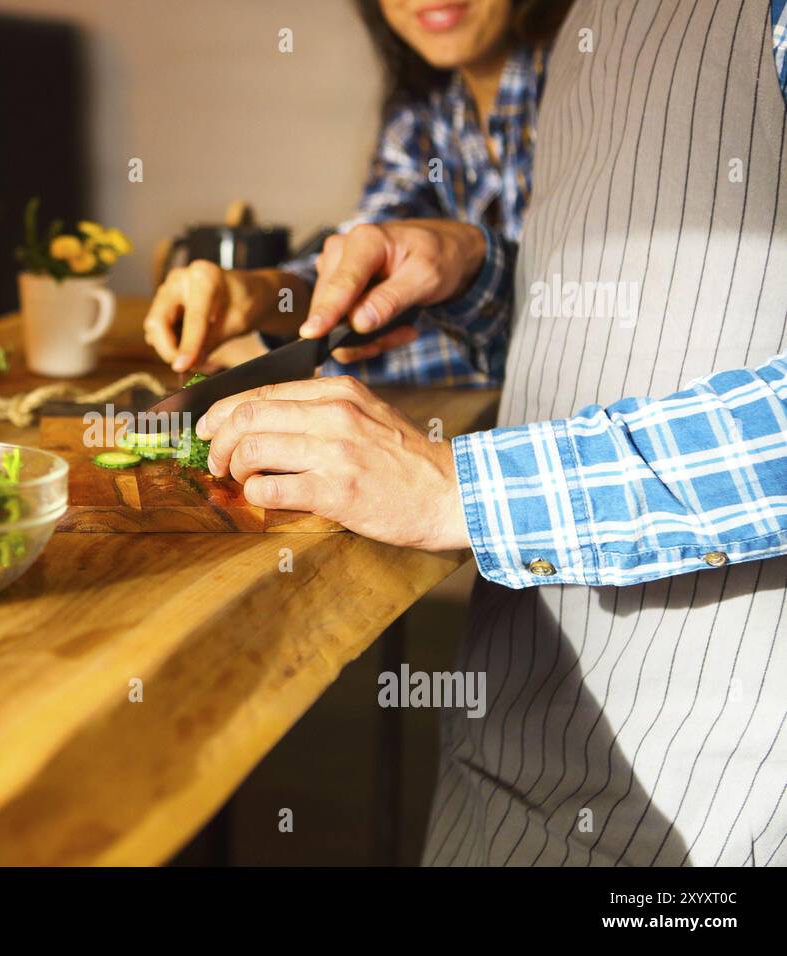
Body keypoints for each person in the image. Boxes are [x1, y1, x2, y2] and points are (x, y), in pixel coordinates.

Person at [199, 0, 787, 865]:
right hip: (524, 717)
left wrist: (455, 488)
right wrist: (474, 271)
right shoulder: (589, 32)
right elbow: (642, 326)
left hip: (719, 781)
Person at [143, 0, 571, 386]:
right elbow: (368, 255)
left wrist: (282, 355)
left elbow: (558, 339)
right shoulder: (426, 109)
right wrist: (265, 293)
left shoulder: (588, 88)